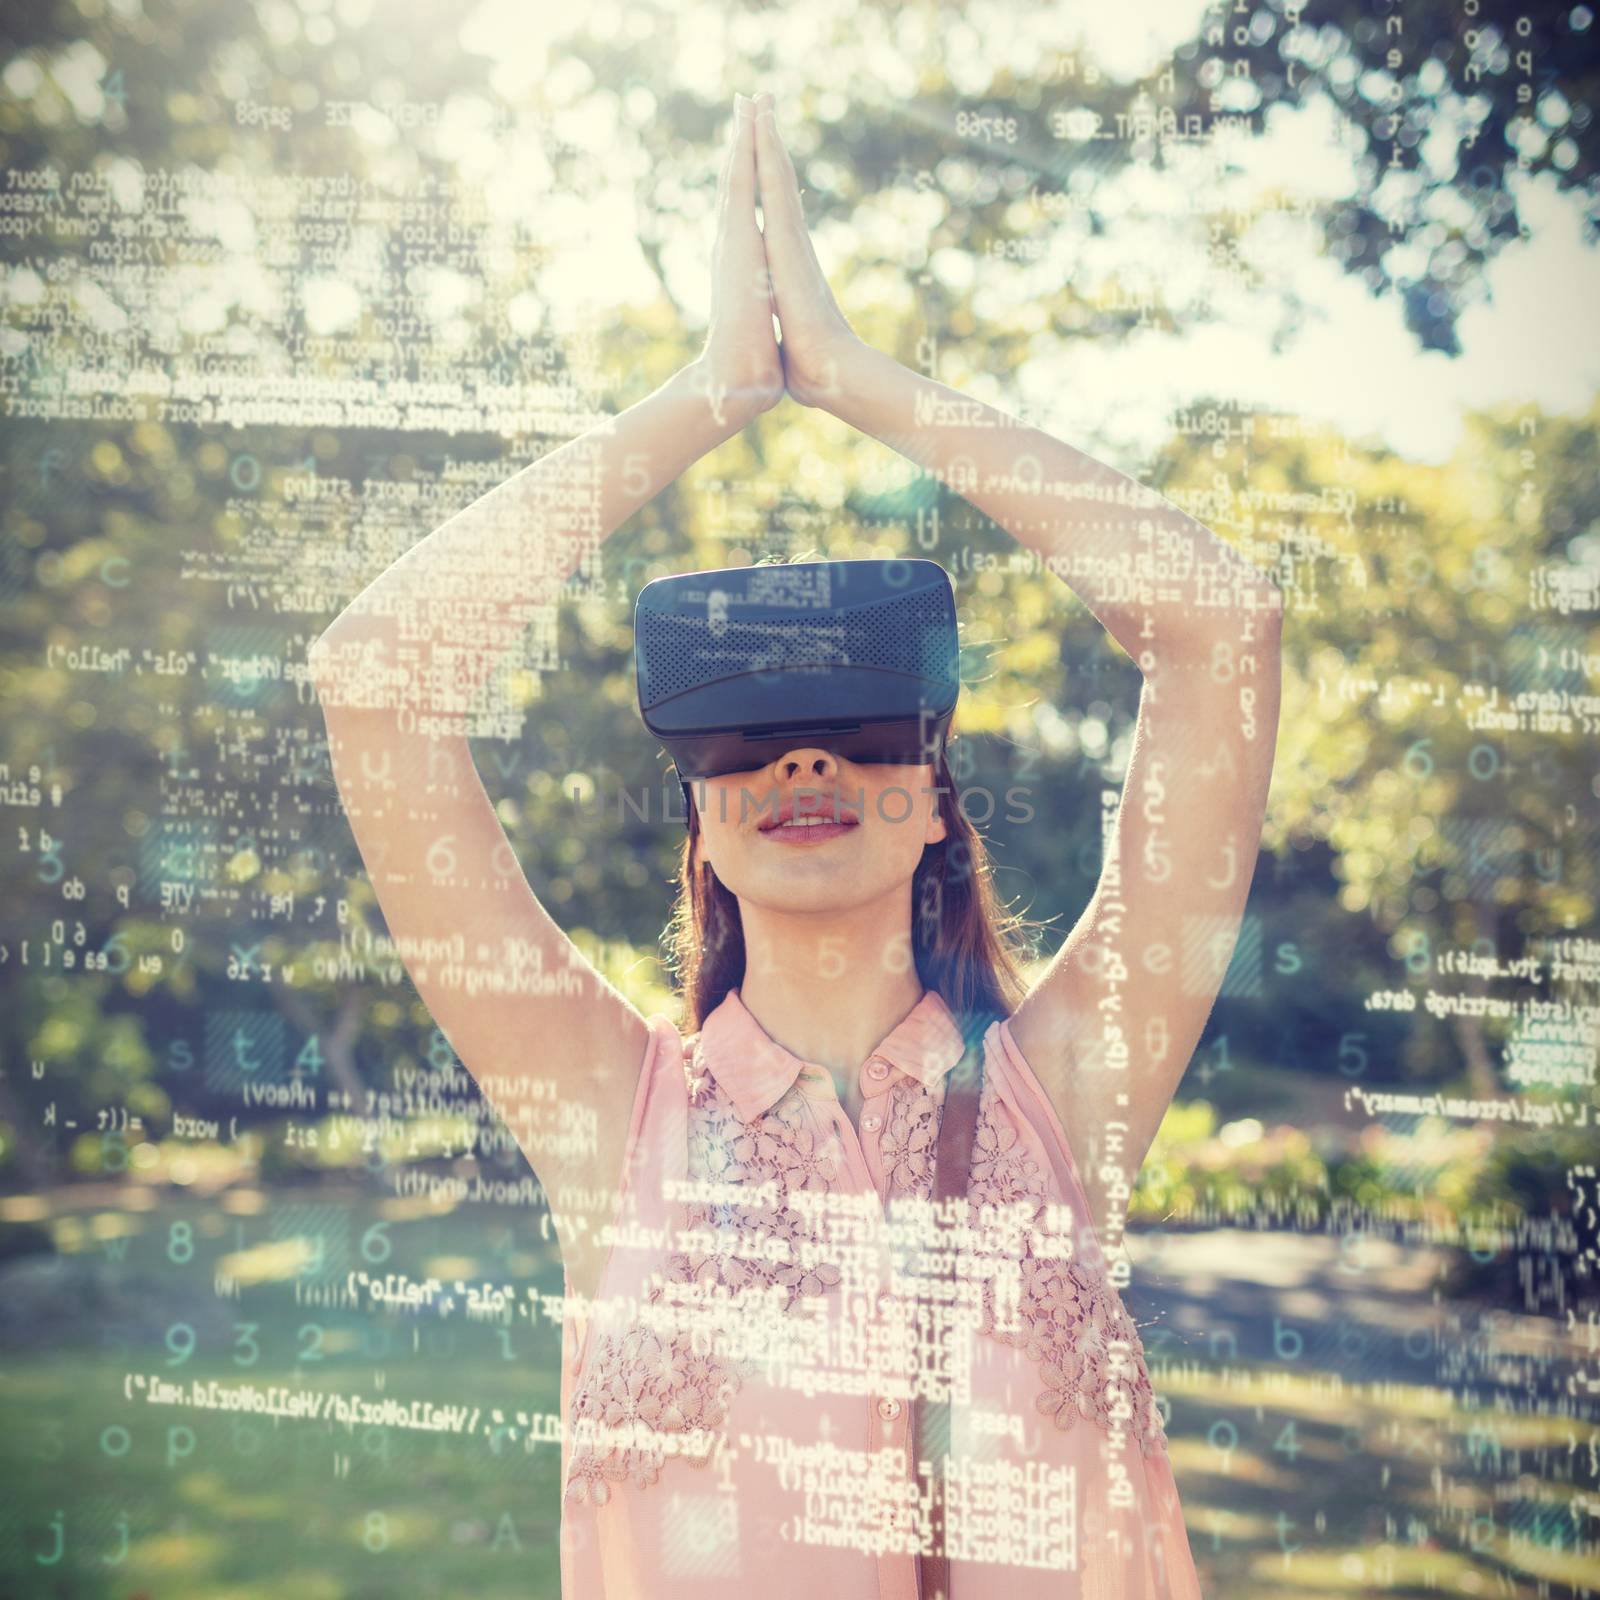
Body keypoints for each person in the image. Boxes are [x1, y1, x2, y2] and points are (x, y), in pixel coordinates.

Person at [311, 88, 1282, 1598]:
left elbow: (1220, 628)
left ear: (937, 795)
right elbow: (374, 681)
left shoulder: (1067, 1092)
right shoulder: (609, 1120)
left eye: (864, 728)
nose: (804, 760)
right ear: (697, 813)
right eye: (743, 738)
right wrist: (709, 392)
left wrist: (855, 379)